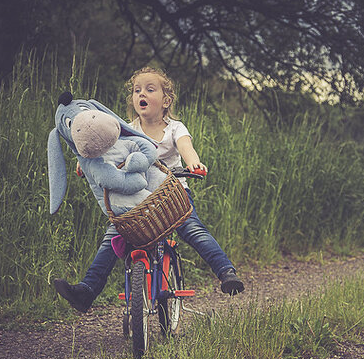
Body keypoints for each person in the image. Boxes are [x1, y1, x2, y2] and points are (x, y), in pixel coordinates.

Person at [54, 66, 244, 313]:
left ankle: (226, 271)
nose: (141, 94)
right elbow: (108, 150)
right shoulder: (125, 128)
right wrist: (86, 161)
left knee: (192, 229)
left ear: (166, 101)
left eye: (150, 89)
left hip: (172, 195)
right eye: (137, 90)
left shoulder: (175, 128)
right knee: (113, 236)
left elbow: (185, 147)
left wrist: (193, 163)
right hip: (137, 200)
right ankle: (87, 291)